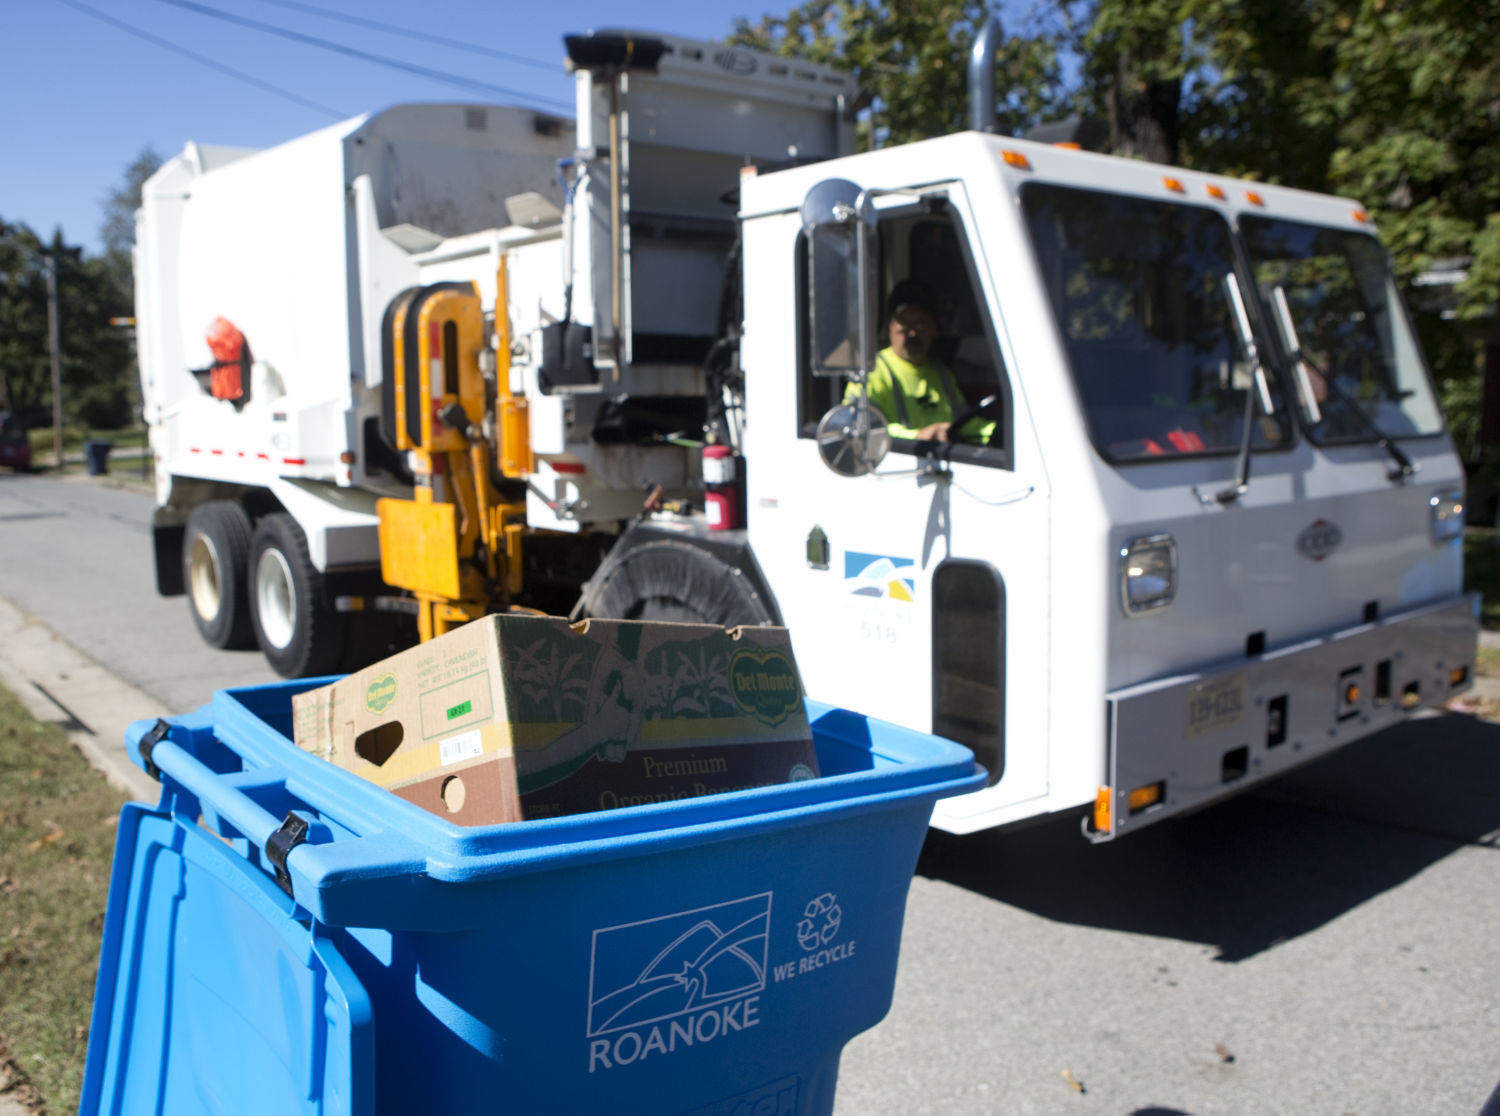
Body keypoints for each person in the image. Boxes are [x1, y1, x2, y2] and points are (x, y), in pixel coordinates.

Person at [846, 279, 985, 443]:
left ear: (935, 328)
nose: (911, 333)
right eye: (904, 323)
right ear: (889, 326)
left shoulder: (942, 373)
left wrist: (995, 431)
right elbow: (859, 428)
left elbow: (967, 424)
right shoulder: (870, 372)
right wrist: (917, 436)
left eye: (921, 323)